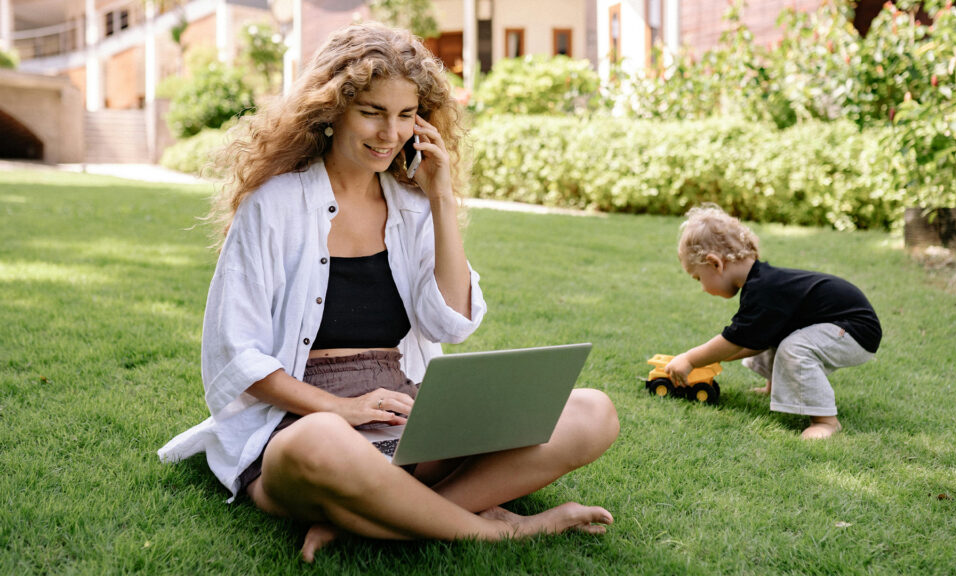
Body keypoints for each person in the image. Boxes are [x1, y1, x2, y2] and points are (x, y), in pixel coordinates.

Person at [158, 22, 619, 561]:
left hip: (405, 412)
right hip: (302, 422)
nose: (389, 133)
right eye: (372, 112)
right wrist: (340, 409)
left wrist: (442, 199)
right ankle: (496, 528)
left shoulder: (412, 206)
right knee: (322, 442)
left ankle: (378, 516)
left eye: (405, 116)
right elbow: (236, 357)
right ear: (332, 111)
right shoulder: (274, 205)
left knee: (592, 413)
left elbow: (452, 323)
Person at [665, 204, 881, 439]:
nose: (702, 287)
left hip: (855, 329)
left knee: (795, 347)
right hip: (838, 324)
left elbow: (735, 340)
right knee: (772, 334)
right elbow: (752, 340)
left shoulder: (763, 289)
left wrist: (689, 359)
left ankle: (826, 422)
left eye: (698, 278)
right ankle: (775, 386)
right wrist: (714, 356)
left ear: (715, 263)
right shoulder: (759, 285)